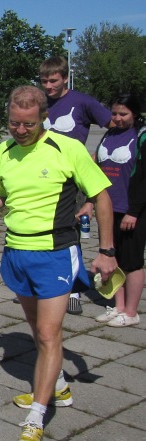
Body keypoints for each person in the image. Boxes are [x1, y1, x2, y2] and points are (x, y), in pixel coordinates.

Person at [0, 85, 116, 441]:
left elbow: (102, 197)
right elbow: (0, 196)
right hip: (17, 252)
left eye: (28, 124)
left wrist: (106, 251)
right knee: (37, 328)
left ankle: (37, 414)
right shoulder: (5, 150)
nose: (20, 130)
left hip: (55, 253)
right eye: (14, 123)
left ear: (44, 118)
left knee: (48, 333)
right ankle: (58, 386)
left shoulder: (68, 148)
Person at [39, 56, 113, 315]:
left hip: (72, 180)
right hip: (43, 177)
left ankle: (73, 289)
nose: (48, 86)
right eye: (44, 81)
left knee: (70, 234)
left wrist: (98, 155)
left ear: (65, 78)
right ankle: (45, 285)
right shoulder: (41, 102)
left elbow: (114, 127)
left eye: (53, 81)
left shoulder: (83, 102)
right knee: (43, 232)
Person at [86, 93, 144, 327]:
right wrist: (89, 201)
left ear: (135, 114)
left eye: (123, 114)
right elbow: (96, 170)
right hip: (108, 208)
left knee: (132, 262)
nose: (118, 118)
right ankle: (118, 306)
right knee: (112, 258)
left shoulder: (141, 136)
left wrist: (134, 211)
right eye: (114, 113)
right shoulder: (109, 135)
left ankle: (131, 312)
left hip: (132, 210)